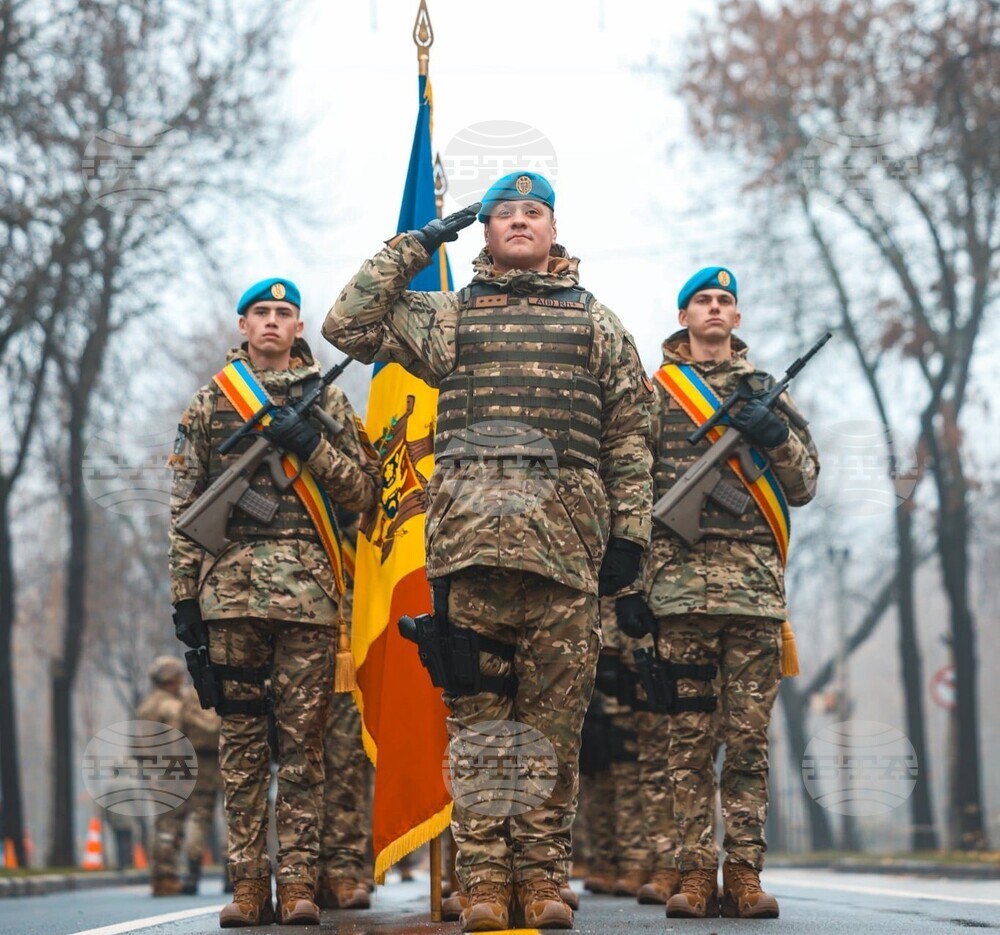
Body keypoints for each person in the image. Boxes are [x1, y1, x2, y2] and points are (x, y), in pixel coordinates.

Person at [323, 171, 653, 932]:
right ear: (485, 231)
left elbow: (629, 438)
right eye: (506, 213)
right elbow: (346, 324)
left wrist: (629, 537)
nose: (521, 223)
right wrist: (415, 245)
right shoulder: (449, 319)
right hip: (469, 557)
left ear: (554, 229)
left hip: (568, 559)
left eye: (535, 213)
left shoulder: (597, 324)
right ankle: (482, 883)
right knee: (476, 735)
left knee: (550, 733)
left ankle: (540, 882)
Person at [168, 277, 380, 927]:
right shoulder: (210, 404)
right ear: (242, 324)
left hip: (310, 602)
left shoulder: (330, 404)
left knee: (304, 746)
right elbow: (184, 509)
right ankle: (249, 886)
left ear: (298, 328)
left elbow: (365, 492)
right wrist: (184, 599)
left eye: (284, 313)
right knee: (241, 746)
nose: (271, 322)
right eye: (260, 311)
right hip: (230, 600)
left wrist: (307, 442)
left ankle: (300, 883)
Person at [616, 266, 819, 919]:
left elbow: (806, 481)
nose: (713, 308)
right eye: (703, 300)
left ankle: (747, 874)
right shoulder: (655, 396)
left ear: (736, 318)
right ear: (685, 315)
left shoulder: (768, 396)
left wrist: (774, 435)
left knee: (749, 741)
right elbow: (630, 488)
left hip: (755, 598)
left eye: (724, 300)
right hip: (678, 596)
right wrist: (631, 584)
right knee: (687, 744)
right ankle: (695, 873)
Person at [135, 655, 188, 896]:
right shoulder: (171, 706)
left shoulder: (146, 705)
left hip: (151, 769)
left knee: (161, 823)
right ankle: (166, 876)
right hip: (170, 769)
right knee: (170, 824)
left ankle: (159, 874)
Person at [178, 685, 223, 894]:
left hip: (199, 764)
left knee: (198, 818)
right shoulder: (229, 684)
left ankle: (192, 873)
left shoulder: (190, 694)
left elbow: (180, 730)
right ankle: (233, 874)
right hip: (227, 758)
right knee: (233, 816)